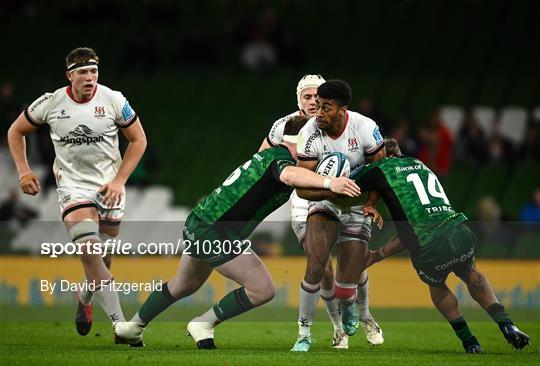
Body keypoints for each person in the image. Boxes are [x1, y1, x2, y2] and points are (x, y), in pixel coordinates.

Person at [114, 116, 361, 349]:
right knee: (262, 289)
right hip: (214, 231)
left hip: (200, 222)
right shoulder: (280, 160)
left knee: (184, 284)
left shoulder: (271, 155)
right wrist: (331, 183)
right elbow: (289, 175)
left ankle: (132, 327)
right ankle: (204, 323)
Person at [7, 47, 147, 339]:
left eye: (94, 71)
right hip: (73, 188)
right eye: (82, 72)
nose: (89, 77)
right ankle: (121, 325)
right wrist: (24, 170)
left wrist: (120, 181)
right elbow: (15, 131)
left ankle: (84, 298)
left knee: (102, 261)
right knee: (91, 253)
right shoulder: (50, 102)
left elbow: (138, 140)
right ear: (69, 75)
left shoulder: (114, 100)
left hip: (109, 188)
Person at [355, 138, 530, 353]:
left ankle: (470, 342)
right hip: (459, 231)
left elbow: (345, 184)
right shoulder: (421, 165)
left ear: (382, 155)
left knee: (437, 285)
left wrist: (375, 255)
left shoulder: (381, 168)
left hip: (430, 247)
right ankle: (507, 325)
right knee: (471, 273)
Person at [259, 75, 350, 349]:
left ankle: (356, 320)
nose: (312, 102)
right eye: (307, 97)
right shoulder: (284, 125)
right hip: (302, 199)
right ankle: (329, 330)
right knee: (319, 262)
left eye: (316, 97)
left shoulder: (337, 122)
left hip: (335, 195)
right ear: (298, 98)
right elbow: (261, 157)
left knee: (343, 264)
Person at [293, 79, 385, 351]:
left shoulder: (365, 127)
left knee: (346, 286)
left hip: (357, 204)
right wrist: (331, 190)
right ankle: (303, 334)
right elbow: (302, 187)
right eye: (317, 106)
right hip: (324, 201)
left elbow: (381, 171)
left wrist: (371, 203)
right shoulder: (309, 132)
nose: (319, 113)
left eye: (326, 108)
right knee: (316, 266)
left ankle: (352, 307)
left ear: (343, 110)